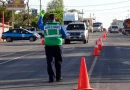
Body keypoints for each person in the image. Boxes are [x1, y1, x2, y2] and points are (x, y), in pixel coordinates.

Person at [38, 10, 67, 82]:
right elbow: (65, 35)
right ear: (55, 18)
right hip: (58, 45)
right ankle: (58, 77)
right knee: (58, 62)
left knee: (50, 62)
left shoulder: (45, 26)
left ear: (48, 19)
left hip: (48, 46)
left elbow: (39, 24)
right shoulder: (59, 25)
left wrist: (41, 15)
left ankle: (51, 78)